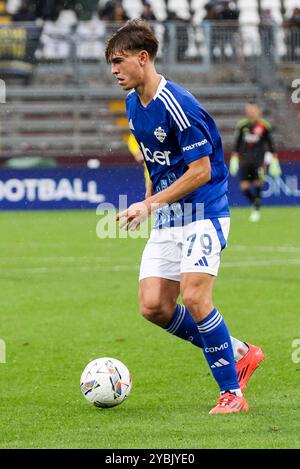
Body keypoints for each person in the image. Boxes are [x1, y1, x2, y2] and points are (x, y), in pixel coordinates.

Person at [105, 20, 264, 414]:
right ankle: (238, 350)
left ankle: (233, 394)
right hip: (167, 218)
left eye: (119, 60)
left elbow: (201, 171)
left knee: (194, 296)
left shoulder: (179, 105)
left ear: (143, 58)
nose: (114, 70)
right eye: (111, 62)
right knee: (153, 306)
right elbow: (154, 165)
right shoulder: (131, 104)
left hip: (204, 212)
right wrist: (148, 205)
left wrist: (150, 204)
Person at [229, 102, 281, 222]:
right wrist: (234, 159)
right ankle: (255, 204)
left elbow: (271, 145)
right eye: (248, 109)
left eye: (252, 109)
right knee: (244, 187)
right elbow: (237, 144)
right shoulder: (242, 126)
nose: (250, 111)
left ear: (258, 110)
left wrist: (274, 161)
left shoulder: (264, 126)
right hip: (245, 161)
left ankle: (256, 210)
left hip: (259, 161)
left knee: (258, 184)